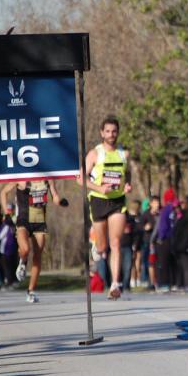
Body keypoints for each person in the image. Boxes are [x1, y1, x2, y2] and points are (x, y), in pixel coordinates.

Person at [81, 116, 132, 299]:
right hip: (98, 200)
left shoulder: (123, 154)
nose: (111, 134)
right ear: (102, 133)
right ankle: (97, 246)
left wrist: (127, 185)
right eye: (108, 131)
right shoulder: (95, 154)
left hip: (118, 201)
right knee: (102, 246)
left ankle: (115, 284)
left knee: (116, 243)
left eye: (114, 131)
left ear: (118, 132)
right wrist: (99, 187)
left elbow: (127, 173)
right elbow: (81, 178)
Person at [1, 179, 67, 303]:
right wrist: (6, 213)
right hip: (23, 221)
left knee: (38, 255)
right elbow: (4, 192)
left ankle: (31, 290)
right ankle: (23, 262)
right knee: (25, 249)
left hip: (39, 222)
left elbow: (55, 197)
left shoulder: (48, 180)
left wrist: (61, 202)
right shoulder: (21, 178)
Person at [173, 195, 188, 291]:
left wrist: (184, 244)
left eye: (183, 203)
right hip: (180, 245)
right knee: (181, 265)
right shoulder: (183, 215)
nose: (181, 205)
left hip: (187, 245)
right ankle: (181, 284)